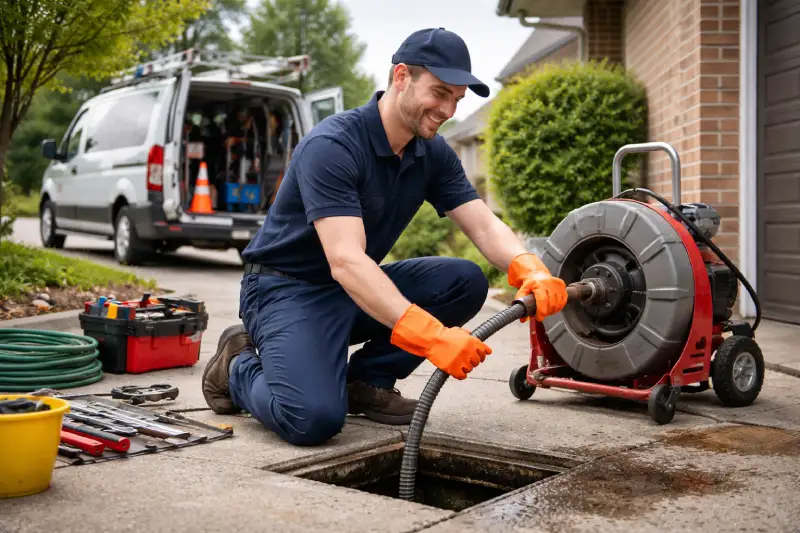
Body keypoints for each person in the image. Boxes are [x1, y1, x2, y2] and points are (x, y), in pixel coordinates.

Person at [201, 28, 568, 446]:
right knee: (311, 419)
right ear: (401, 77)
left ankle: (367, 383)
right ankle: (236, 365)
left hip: (352, 289)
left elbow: (483, 224)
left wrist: (530, 269)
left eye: (457, 100)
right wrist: (430, 336)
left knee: (465, 282)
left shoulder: (430, 153)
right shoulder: (334, 145)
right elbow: (346, 260)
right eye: (440, 92)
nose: (447, 109)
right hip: (285, 290)